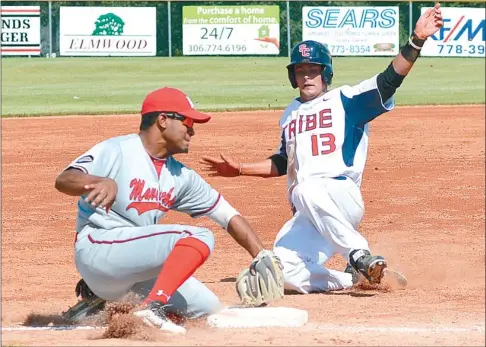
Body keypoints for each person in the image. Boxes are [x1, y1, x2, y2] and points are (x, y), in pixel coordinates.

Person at [201, 4, 443, 294]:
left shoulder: (346, 100)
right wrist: (240, 169)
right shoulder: (289, 115)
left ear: (325, 73)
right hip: (309, 212)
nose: (306, 76)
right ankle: (354, 277)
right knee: (282, 269)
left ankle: (358, 254)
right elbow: (282, 162)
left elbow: (389, 80)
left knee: (305, 188)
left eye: (313, 70)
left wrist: (417, 39)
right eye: (300, 70)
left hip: (341, 195)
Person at [55, 87, 284, 333]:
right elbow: (65, 179)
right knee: (197, 237)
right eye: (188, 122)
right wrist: (98, 181)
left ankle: (103, 307)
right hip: (97, 249)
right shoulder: (118, 149)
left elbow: (227, 215)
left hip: (133, 268)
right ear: (163, 120)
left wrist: (260, 254)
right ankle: (152, 307)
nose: (192, 131)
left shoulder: (180, 176)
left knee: (208, 309)